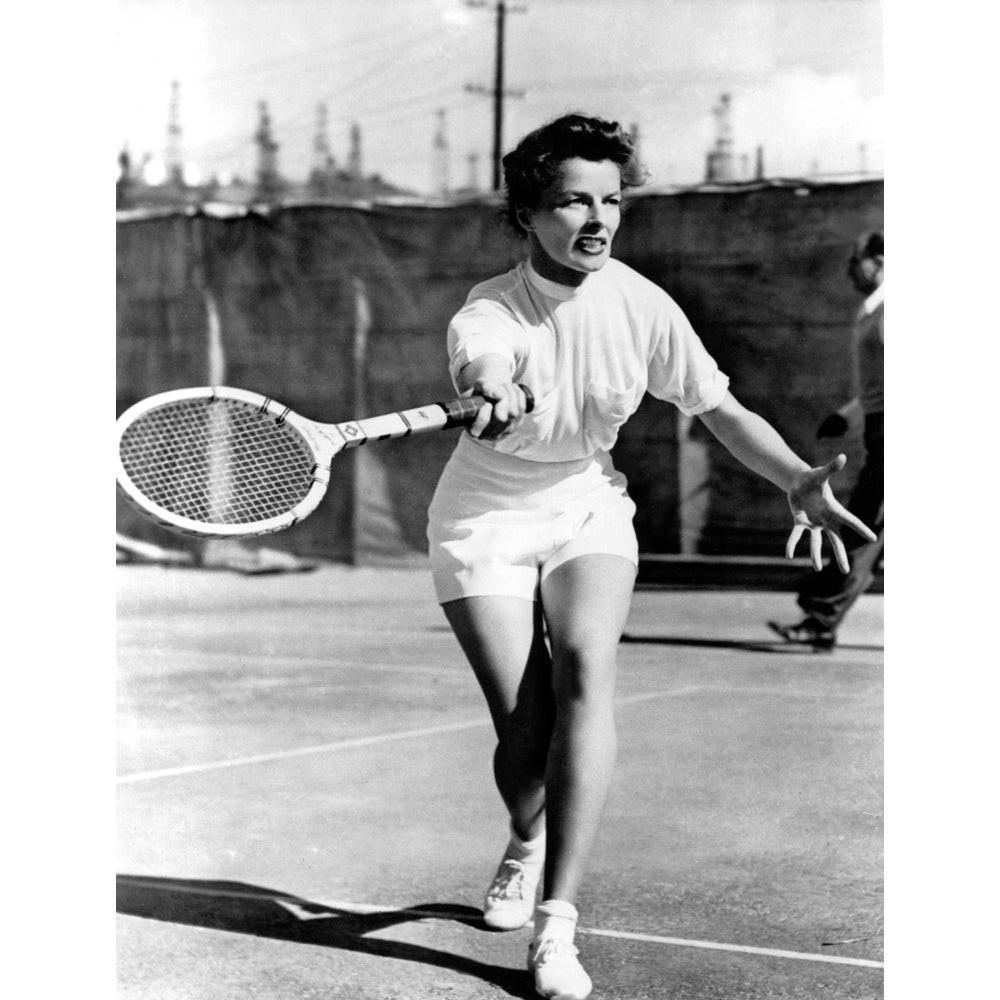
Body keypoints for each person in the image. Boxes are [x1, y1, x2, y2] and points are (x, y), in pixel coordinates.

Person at [426, 114, 876, 1000]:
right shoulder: (490, 308)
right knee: (526, 731)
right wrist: (492, 386)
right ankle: (526, 838)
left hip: (588, 501)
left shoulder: (642, 303)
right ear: (526, 213)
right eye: (570, 202)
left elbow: (721, 409)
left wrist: (794, 479)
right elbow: (483, 361)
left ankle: (557, 928)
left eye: (611, 199)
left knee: (589, 671)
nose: (596, 218)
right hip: (485, 515)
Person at [768, 231, 884, 650]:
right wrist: (848, 416)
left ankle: (821, 617)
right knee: (866, 529)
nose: (850, 270)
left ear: (880, 259)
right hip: (879, 432)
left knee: (864, 530)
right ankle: (821, 615)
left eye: (855, 261)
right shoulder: (872, 311)